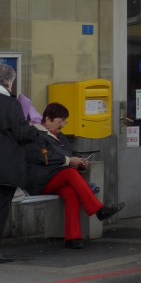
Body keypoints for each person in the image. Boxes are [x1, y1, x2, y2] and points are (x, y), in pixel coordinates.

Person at [26, 102, 124, 249]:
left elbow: (72, 153)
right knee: (70, 173)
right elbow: (44, 158)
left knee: (71, 193)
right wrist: (70, 161)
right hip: (40, 180)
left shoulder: (60, 137)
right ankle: (99, 210)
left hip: (55, 178)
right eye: (60, 121)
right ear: (47, 120)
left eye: (65, 121)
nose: (63, 125)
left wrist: (81, 163)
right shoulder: (36, 135)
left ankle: (73, 237)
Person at [0, 63, 38, 263]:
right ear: (10, 82)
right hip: (4, 167)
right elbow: (22, 133)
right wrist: (34, 129)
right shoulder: (11, 104)